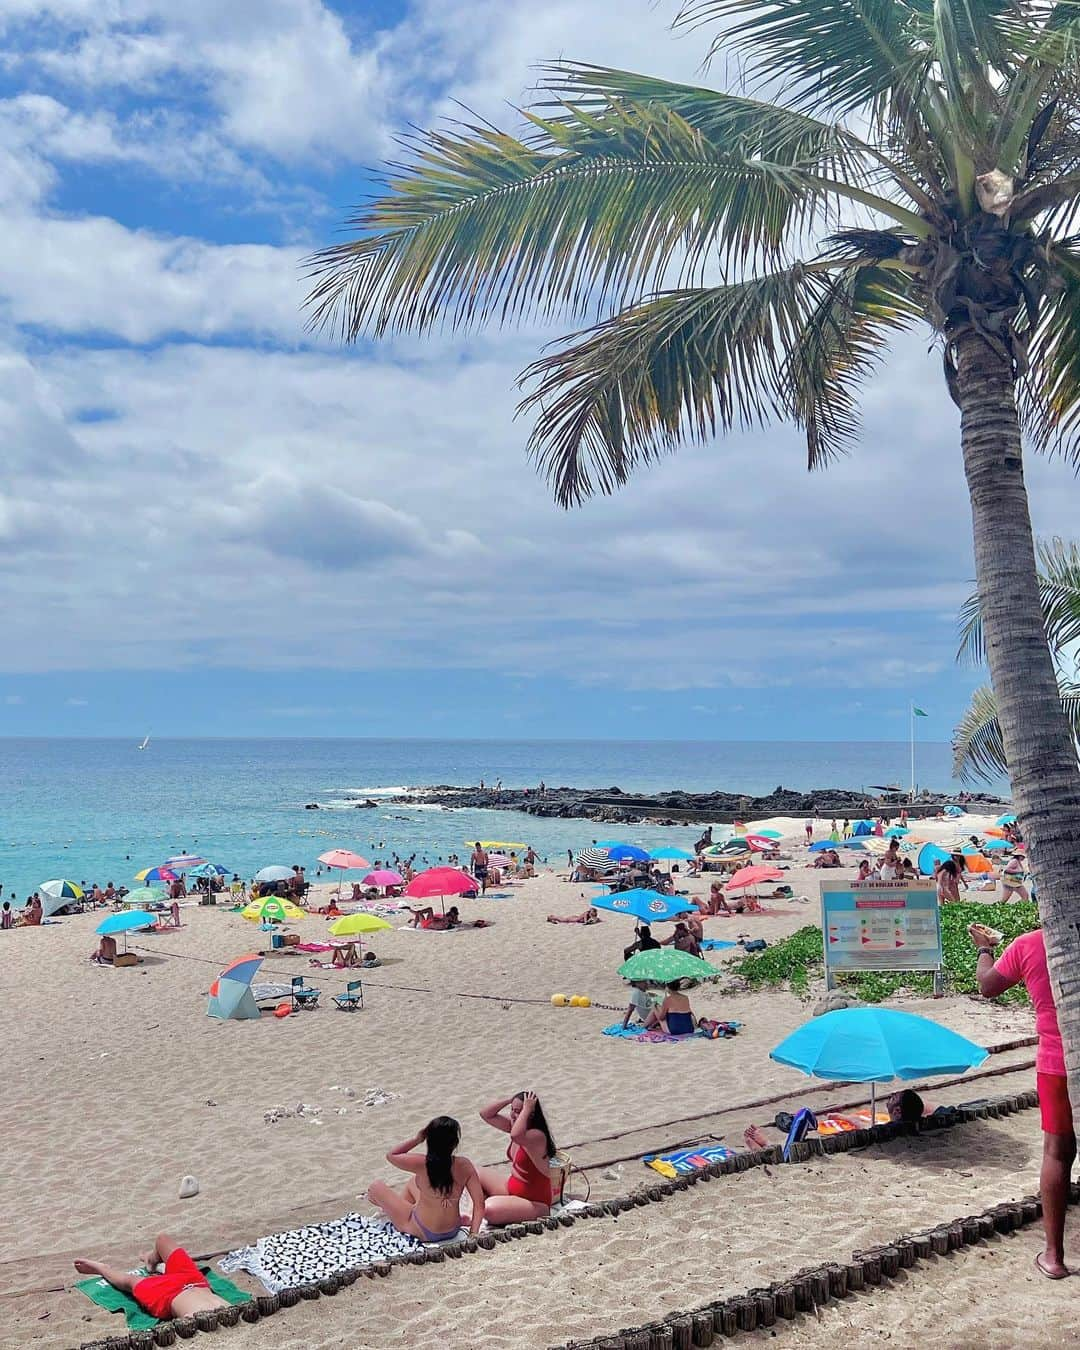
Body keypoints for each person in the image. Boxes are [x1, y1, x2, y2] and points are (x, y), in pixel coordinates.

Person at [974, 923, 1074, 1279]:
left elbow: (987, 986)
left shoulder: (1031, 944)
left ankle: (1054, 1256)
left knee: (1057, 1152)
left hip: (1057, 1064)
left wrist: (984, 948)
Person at [367, 1116, 484, 1243]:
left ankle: (393, 1211)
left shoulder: (422, 1163)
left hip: (423, 1231)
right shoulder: (464, 1165)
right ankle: (406, 1209)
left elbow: (391, 1155)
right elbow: (479, 1204)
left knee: (375, 1187)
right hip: (452, 1230)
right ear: (455, 1142)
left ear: (429, 1141)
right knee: (413, 1182)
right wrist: (473, 1233)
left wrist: (417, 1139)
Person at [73, 1234, 227, 1321]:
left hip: (167, 1297)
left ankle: (102, 1268)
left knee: (130, 1282)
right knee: (162, 1240)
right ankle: (151, 1259)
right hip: (195, 1282)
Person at [477, 1091, 557, 1223]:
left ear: (530, 1114)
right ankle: (473, 1211)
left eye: (518, 1111)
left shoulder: (536, 1135)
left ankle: (537, 1211)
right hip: (512, 1189)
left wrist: (526, 1109)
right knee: (473, 1171)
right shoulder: (515, 1127)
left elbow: (515, 1136)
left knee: (488, 1209)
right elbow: (485, 1114)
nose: (514, 1115)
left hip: (534, 1202)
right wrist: (510, 1099)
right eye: (512, 1110)